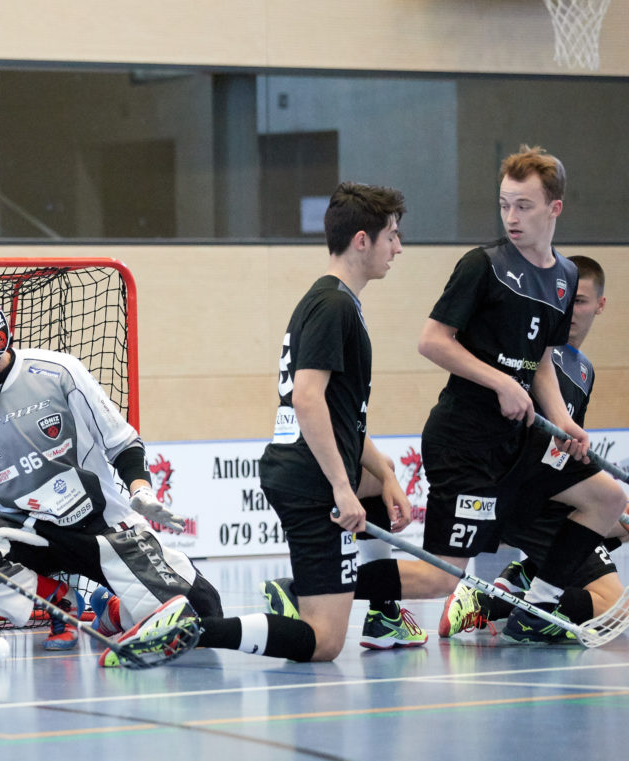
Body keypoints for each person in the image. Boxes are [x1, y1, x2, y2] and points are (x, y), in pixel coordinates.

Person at [0, 289, 220, 656]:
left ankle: (113, 610)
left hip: (101, 529)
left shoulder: (57, 371)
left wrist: (141, 491)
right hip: (26, 534)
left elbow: (121, 442)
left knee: (205, 616)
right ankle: (57, 601)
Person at [408, 146, 625, 631]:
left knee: (609, 499)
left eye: (523, 206)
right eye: (504, 204)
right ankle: (311, 590)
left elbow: (543, 360)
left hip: (517, 448)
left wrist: (565, 423)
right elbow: (431, 341)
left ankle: (540, 604)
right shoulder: (481, 265)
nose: (511, 216)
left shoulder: (567, 278)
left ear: (555, 208)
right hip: (468, 440)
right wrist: (500, 381)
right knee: (438, 577)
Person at [255, 181, 420, 664]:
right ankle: (201, 629)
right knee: (325, 643)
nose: (399, 247)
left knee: (377, 470)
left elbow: (343, 419)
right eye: (392, 235)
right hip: (307, 480)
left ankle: (383, 612)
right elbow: (308, 400)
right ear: (362, 240)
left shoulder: (334, 300)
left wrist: (383, 477)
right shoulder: (333, 305)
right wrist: (342, 489)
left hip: (303, 469)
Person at [440, 255, 628, 641]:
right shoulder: (537, 355)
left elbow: (568, 450)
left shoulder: (585, 370)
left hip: (550, 495)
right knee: (614, 610)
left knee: (622, 521)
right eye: (567, 300)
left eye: (581, 302)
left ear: (600, 306)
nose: (571, 311)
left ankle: (524, 577)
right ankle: (494, 602)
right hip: (528, 498)